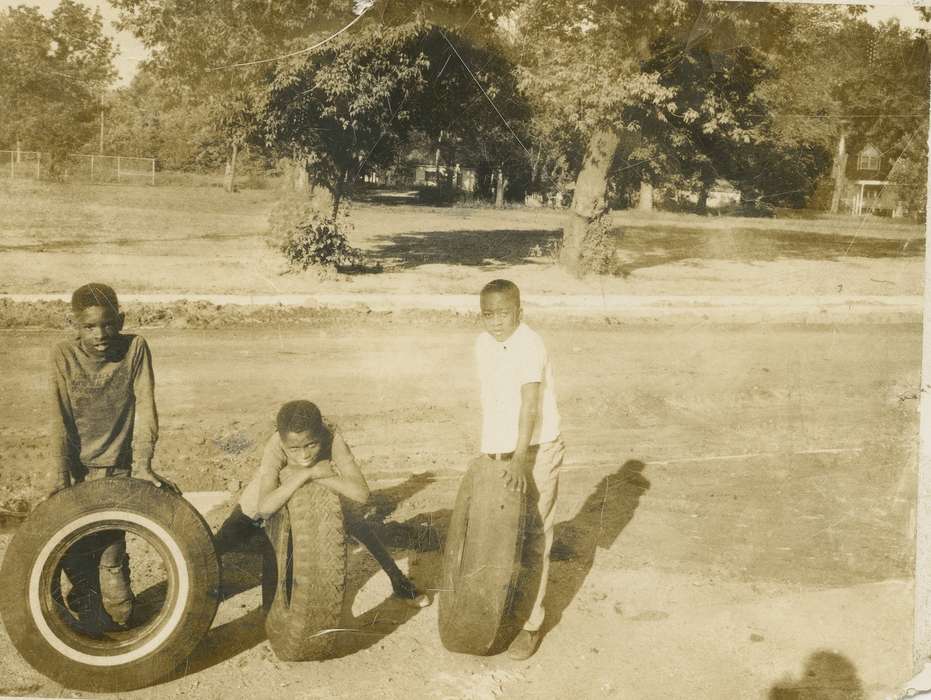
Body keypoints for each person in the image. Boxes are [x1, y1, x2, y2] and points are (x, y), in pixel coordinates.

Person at [49, 282, 178, 630]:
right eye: (89, 326)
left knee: (111, 555)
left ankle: (121, 619)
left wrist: (143, 465)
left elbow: (146, 407)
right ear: (73, 324)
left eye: (107, 324)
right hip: (78, 474)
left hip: (119, 471)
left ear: (120, 320)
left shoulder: (135, 348)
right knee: (76, 557)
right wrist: (61, 481)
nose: (100, 334)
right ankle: (88, 625)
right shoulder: (63, 355)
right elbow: (59, 420)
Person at [216, 400, 429, 607]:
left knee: (355, 522)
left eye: (311, 444)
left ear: (320, 433)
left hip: (320, 476)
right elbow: (265, 506)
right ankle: (203, 579)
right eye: (294, 449)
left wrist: (316, 476)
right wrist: (306, 474)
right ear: (283, 442)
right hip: (280, 482)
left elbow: (362, 494)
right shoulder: (276, 444)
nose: (304, 455)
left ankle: (398, 580)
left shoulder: (333, 438)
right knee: (234, 527)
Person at [475, 279, 564, 660]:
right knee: (501, 532)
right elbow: (494, 403)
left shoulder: (530, 344)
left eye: (504, 313)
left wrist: (519, 459)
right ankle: (502, 608)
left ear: (520, 312)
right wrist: (491, 455)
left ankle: (531, 623)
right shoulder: (483, 344)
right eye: (488, 314)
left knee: (534, 533)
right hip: (504, 451)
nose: (496, 322)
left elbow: (530, 407)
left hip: (536, 448)